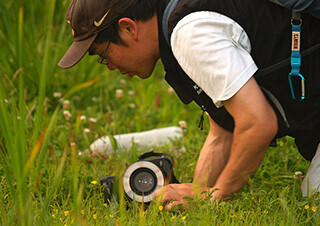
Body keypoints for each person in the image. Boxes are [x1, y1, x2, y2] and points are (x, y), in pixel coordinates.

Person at [58, 0, 320, 209]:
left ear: (128, 28)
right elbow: (222, 130)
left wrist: (216, 196)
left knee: (313, 199)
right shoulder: (180, 18)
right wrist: (195, 193)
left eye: (103, 55)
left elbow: (258, 124)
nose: (111, 66)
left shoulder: (190, 35)